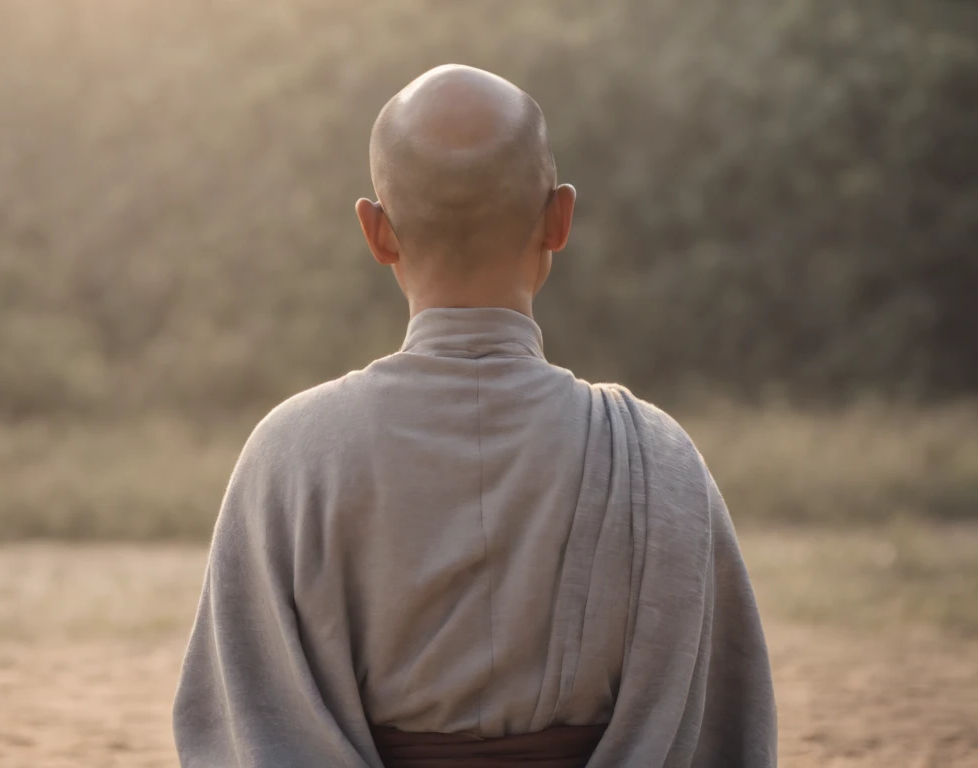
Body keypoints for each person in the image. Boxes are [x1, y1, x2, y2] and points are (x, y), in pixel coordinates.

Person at [172, 64, 777, 768]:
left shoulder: (291, 454)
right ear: (560, 219)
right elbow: (721, 732)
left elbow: (252, 727)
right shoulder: (660, 458)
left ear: (376, 232)